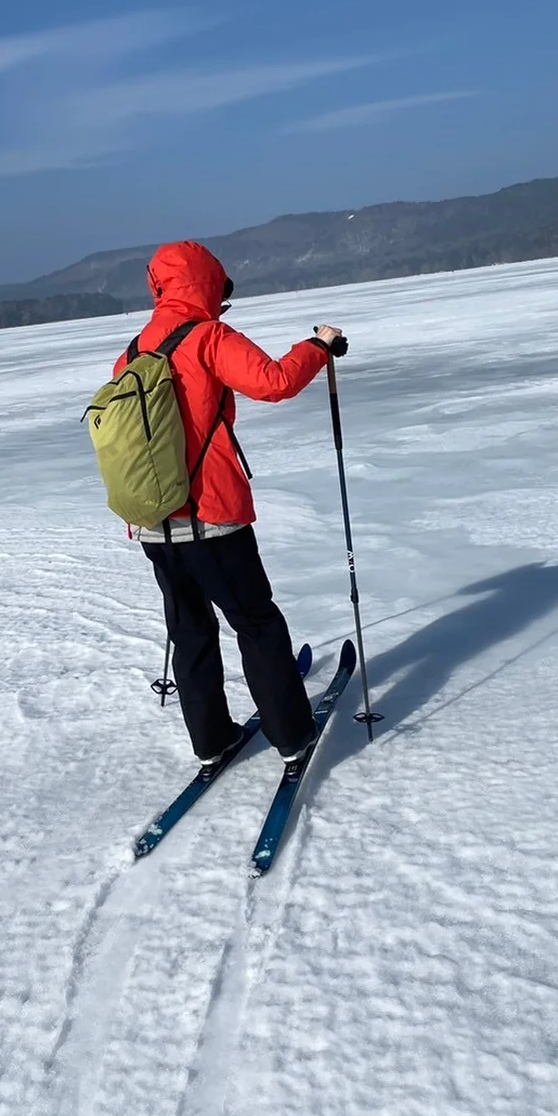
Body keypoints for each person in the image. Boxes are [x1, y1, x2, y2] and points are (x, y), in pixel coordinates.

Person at [116, 240, 345, 768]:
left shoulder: (131, 352)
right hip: (212, 516)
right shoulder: (207, 338)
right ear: (209, 284)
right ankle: (292, 734)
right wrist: (317, 346)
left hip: (152, 523)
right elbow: (274, 382)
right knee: (256, 622)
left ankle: (210, 739)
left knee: (191, 631)